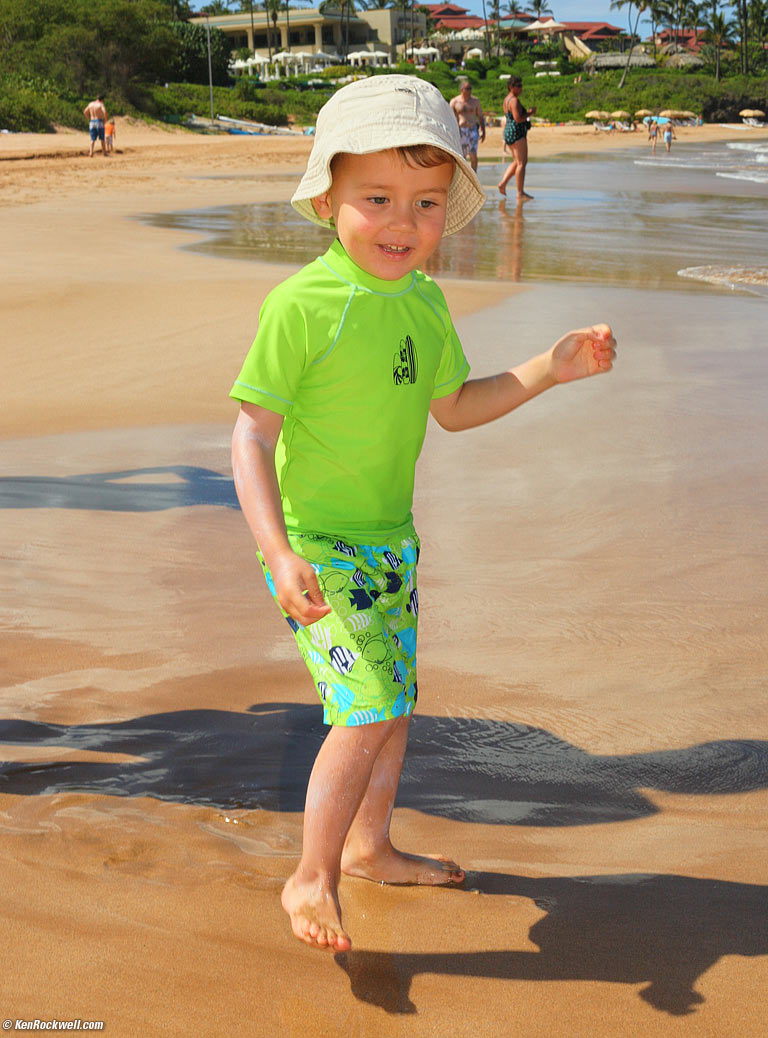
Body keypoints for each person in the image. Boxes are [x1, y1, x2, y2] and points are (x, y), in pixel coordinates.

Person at [229, 75, 616, 953]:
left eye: (427, 202)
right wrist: (279, 553)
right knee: (366, 706)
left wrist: (549, 369)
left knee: (395, 704)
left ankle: (368, 846)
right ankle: (312, 874)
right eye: (376, 198)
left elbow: (456, 407)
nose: (402, 222)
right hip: (317, 546)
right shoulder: (301, 306)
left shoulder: (426, 303)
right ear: (326, 199)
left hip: (391, 546)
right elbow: (250, 437)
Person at [497, 76, 536, 200]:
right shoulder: (514, 101)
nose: (521, 88)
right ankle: (520, 193)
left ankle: (503, 183)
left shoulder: (507, 100)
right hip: (516, 133)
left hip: (509, 132)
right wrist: (530, 113)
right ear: (511, 87)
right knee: (521, 163)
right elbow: (518, 118)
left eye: (521, 85)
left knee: (517, 161)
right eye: (518, 86)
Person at [449, 79, 485, 172]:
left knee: (473, 154)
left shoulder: (475, 101)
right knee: (462, 155)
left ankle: (474, 175)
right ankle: (464, 176)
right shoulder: (455, 101)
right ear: (461, 90)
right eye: (467, 89)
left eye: (470, 88)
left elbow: (480, 116)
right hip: (461, 131)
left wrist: (483, 130)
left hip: (472, 129)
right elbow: (450, 118)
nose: (470, 91)